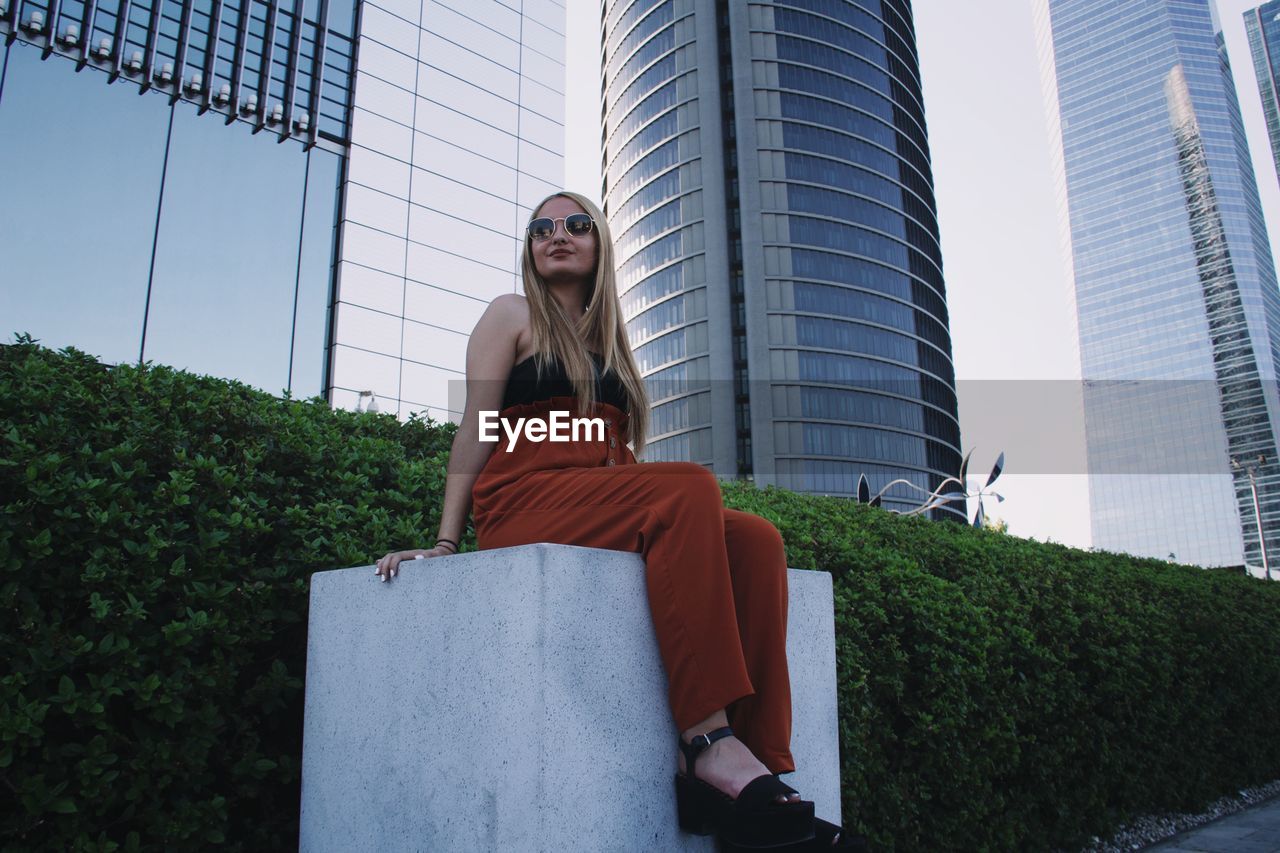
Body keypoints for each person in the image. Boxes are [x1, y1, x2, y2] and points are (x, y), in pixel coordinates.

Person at [375, 191, 859, 850]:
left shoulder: (610, 347)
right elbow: (475, 429)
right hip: (521, 499)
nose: (557, 235)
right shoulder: (509, 315)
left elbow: (617, 462)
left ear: (599, 241)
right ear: (529, 248)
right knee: (689, 486)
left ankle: (763, 775)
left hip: (589, 500)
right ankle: (707, 741)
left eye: (575, 224)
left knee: (755, 539)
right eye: (541, 228)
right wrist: (444, 540)